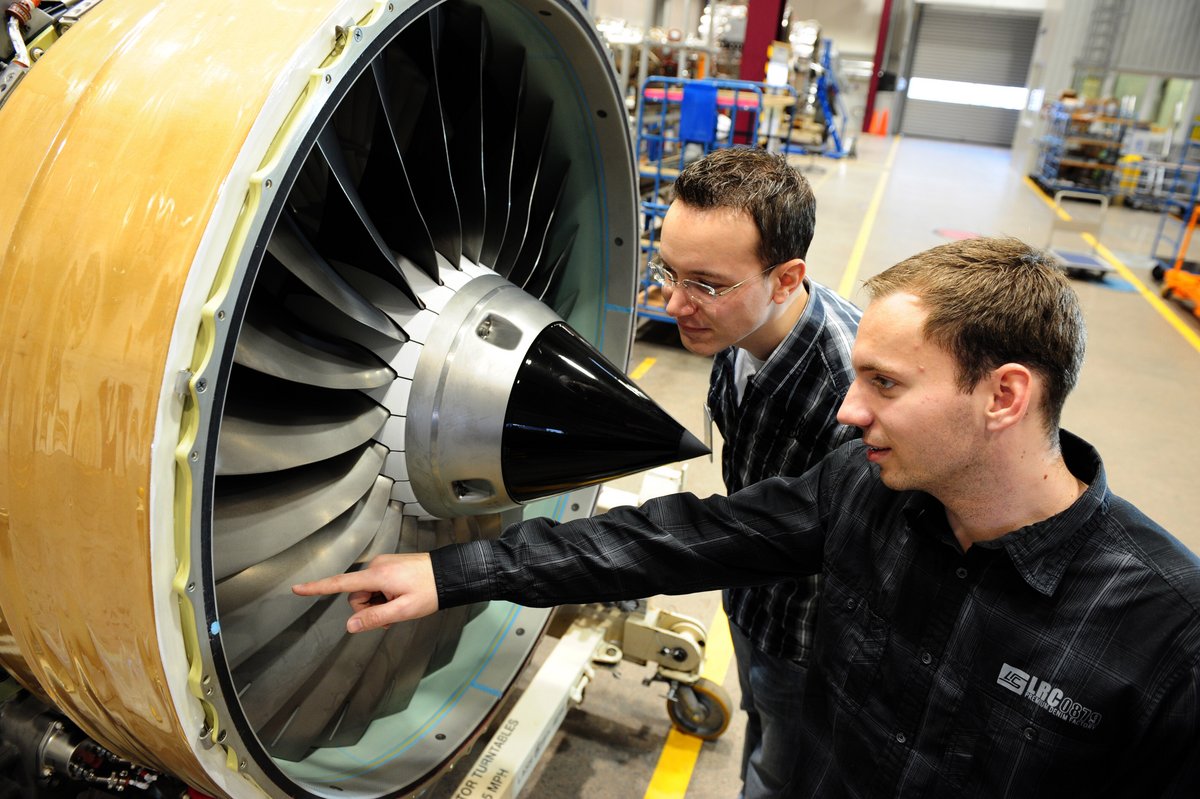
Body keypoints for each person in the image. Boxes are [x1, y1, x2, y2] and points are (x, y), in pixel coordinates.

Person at [297, 237, 1200, 796]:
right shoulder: (864, 489)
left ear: (1004, 395)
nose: (847, 411)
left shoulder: (1164, 637)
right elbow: (678, 537)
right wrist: (452, 573)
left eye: (885, 383)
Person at [652, 146, 860, 798]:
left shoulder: (849, 394)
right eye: (669, 272)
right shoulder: (738, 329)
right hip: (750, 603)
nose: (675, 302)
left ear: (786, 277)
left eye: (706, 284)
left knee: (784, 774)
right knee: (761, 733)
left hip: (807, 642)